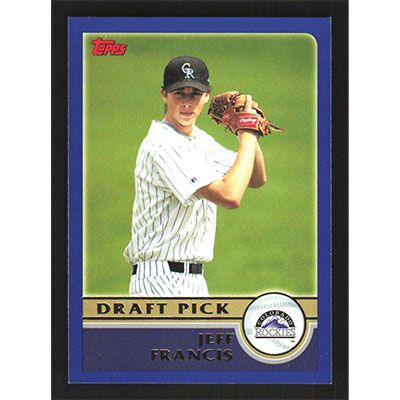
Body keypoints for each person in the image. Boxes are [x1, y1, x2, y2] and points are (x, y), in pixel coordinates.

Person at [123, 55, 267, 297]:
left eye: (195, 94)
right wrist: (247, 135)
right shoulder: (164, 144)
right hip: (159, 281)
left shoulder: (199, 140)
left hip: (192, 282)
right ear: (164, 94)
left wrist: (247, 130)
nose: (187, 103)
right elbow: (230, 196)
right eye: (179, 93)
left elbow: (254, 177)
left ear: (207, 95)